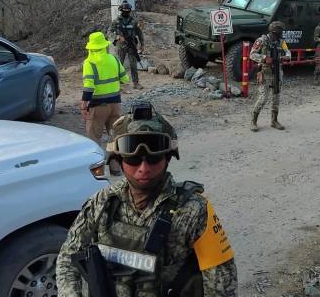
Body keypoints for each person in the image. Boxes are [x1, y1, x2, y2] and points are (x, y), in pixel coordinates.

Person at [56, 123, 238, 296]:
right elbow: (68, 257)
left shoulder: (194, 211)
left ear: (167, 158)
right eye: (133, 159)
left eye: (153, 158)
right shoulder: (102, 203)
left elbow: (222, 286)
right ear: (119, 160)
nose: (143, 168)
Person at [81, 31, 130, 143]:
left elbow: (89, 86)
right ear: (104, 45)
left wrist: (84, 105)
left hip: (98, 106)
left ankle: (97, 160)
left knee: (93, 138)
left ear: (91, 48)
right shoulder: (114, 59)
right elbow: (125, 79)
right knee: (117, 140)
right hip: (115, 105)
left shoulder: (89, 63)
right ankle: (116, 160)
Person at [250, 21, 291, 131]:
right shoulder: (262, 40)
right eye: (279, 33)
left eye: (281, 33)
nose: (280, 35)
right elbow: (252, 54)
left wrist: (287, 57)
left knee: (276, 98)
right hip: (265, 72)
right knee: (263, 98)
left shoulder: (281, 41)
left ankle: (274, 120)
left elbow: (288, 52)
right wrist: (264, 58)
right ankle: (253, 121)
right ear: (273, 32)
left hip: (278, 72)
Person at [109, 1, 146, 89]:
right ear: (121, 11)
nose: (126, 12)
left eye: (128, 11)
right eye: (124, 11)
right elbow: (109, 32)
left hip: (131, 45)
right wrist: (117, 36)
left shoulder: (133, 21)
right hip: (121, 45)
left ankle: (136, 83)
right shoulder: (116, 21)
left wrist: (142, 44)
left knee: (133, 64)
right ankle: (118, 83)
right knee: (119, 64)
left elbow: (139, 33)